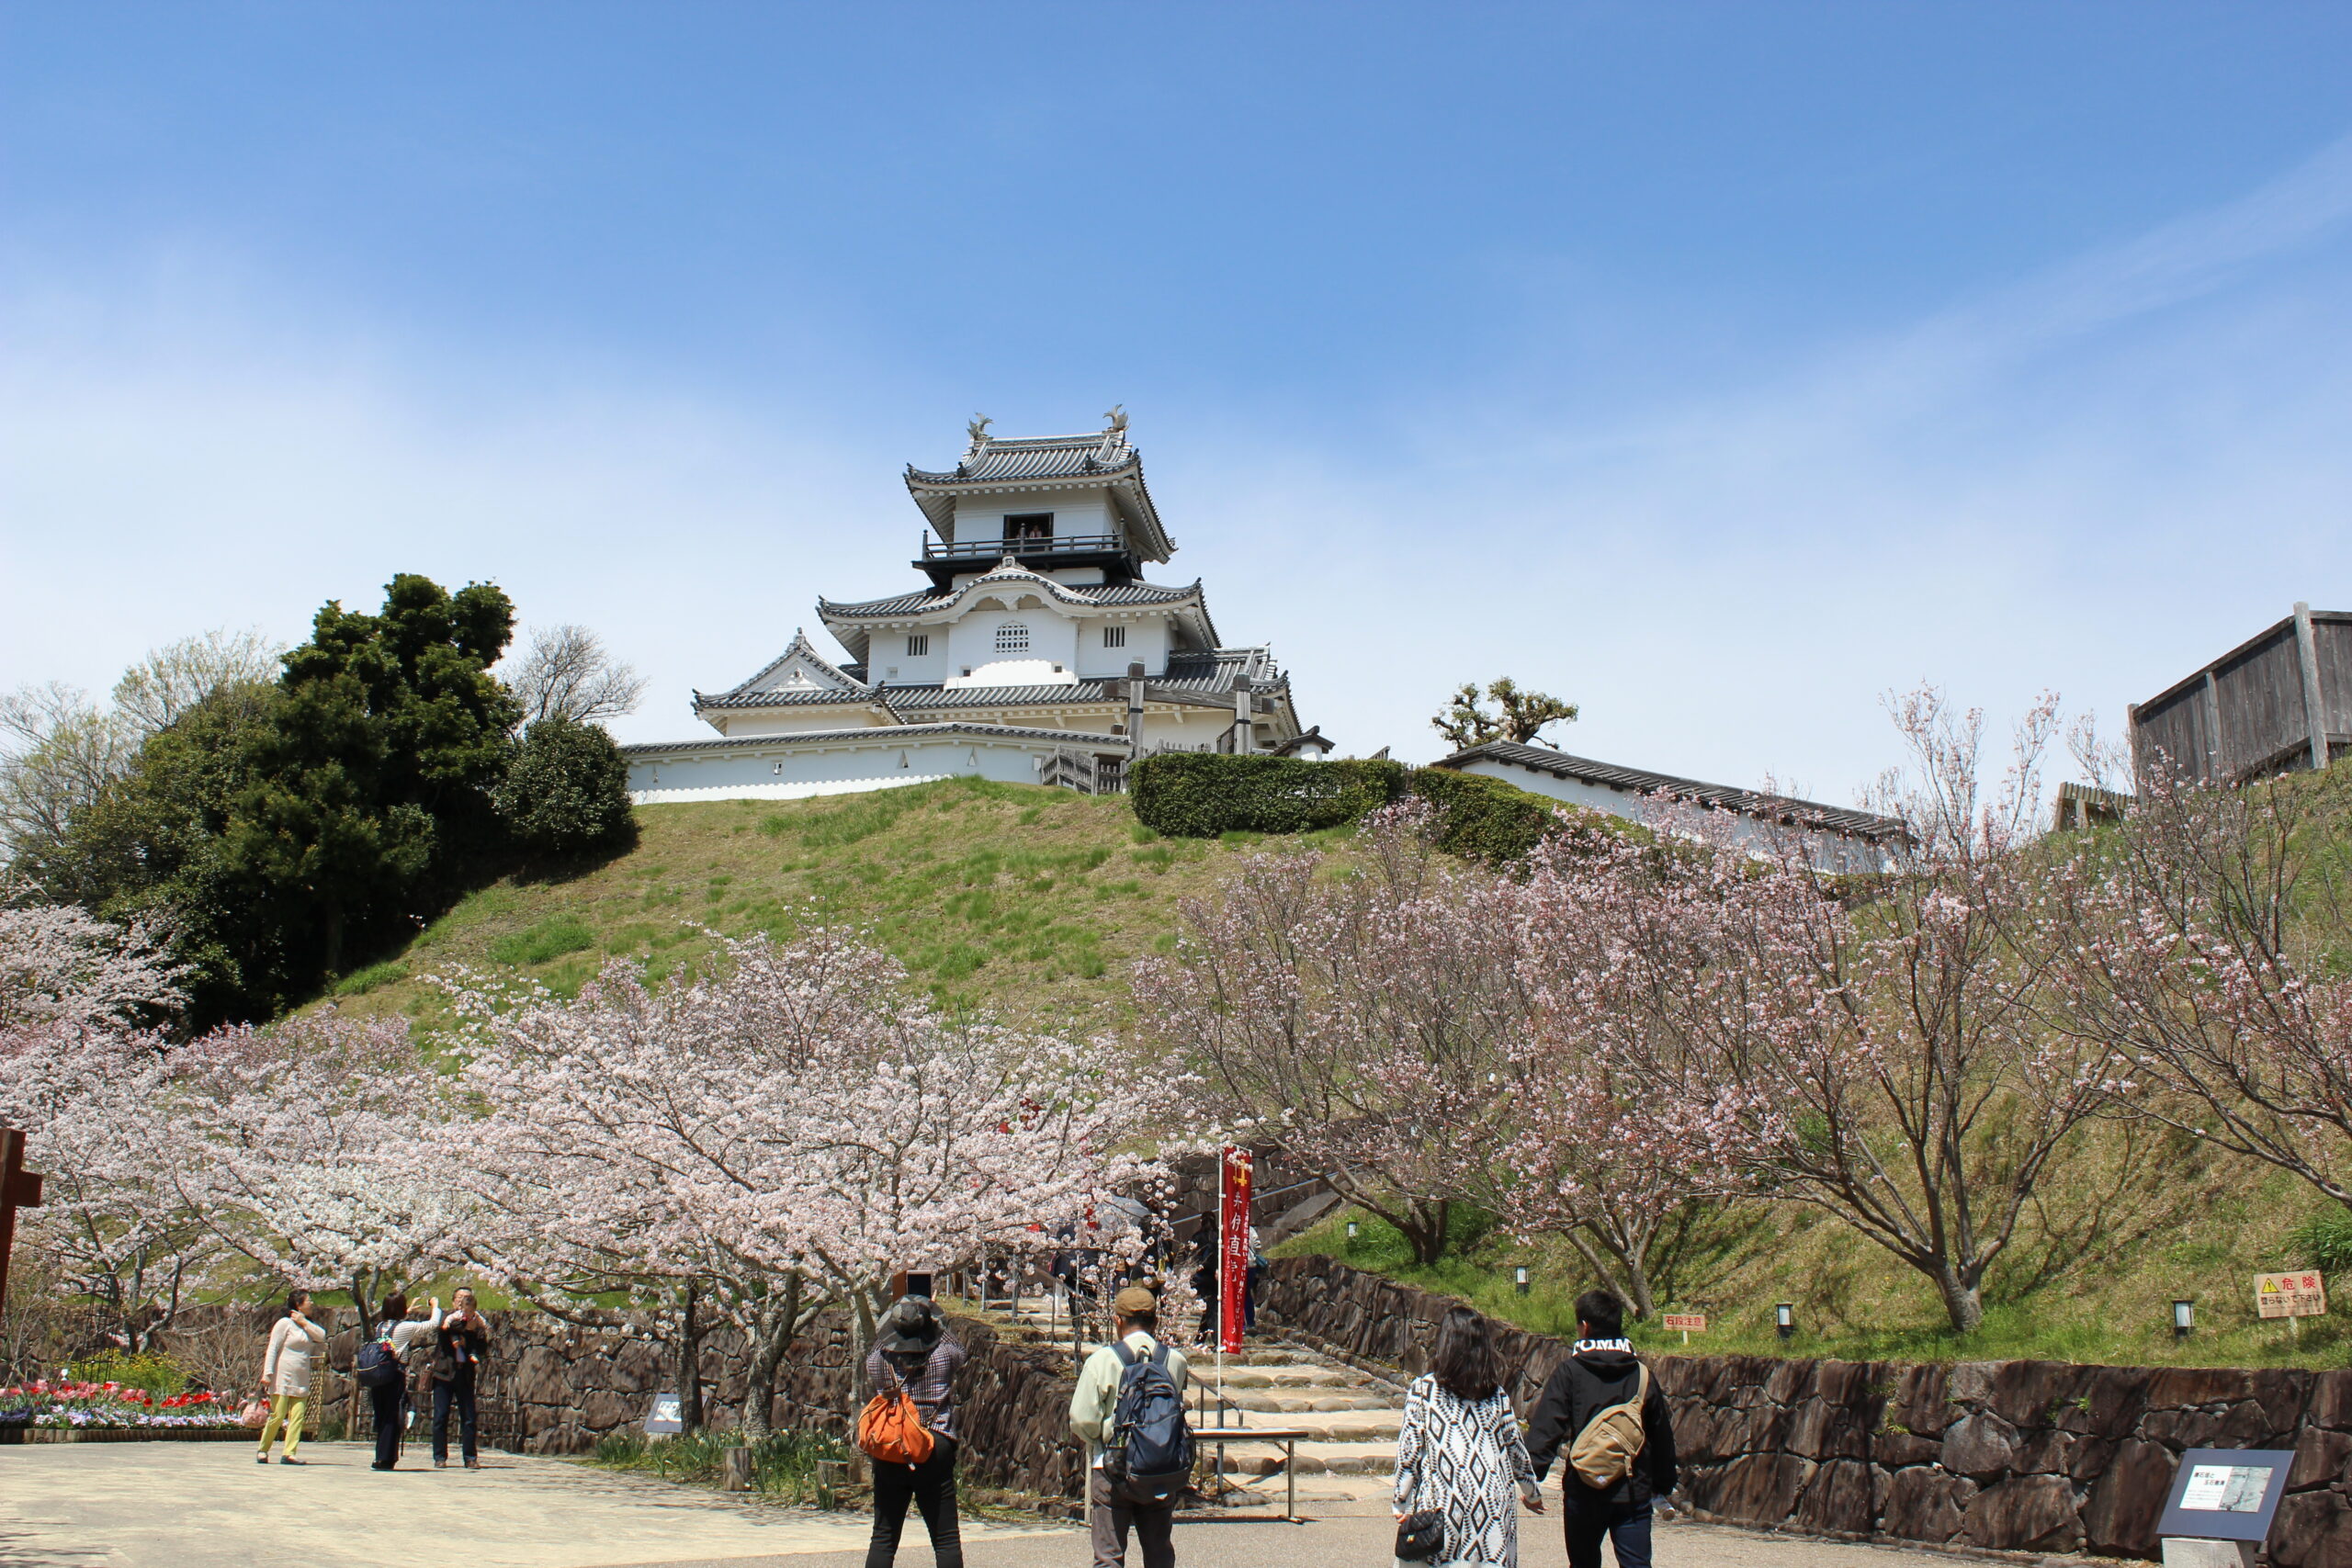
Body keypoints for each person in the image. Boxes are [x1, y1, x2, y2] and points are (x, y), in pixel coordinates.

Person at [1525, 1290, 1678, 1568]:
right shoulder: (1642, 1374)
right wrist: (1662, 1485)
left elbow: (1547, 1428)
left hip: (1584, 1489)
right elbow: (1661, 1435)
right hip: (1633, 1489)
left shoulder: (1570, 1371)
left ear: (1585, 1327)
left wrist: (1531, 1479)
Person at [1392, 1306, 1541, 1568]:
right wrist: (1532, 1492)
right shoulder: (1495, 1394)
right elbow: (1516, 1448)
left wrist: (1400, 1502)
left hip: (1445, 1501)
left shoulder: (1425, 1391)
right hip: (1493, 1503)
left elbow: (1409, 1452)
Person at [1069, 1284, 1190, 1568]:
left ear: (1118, 1320)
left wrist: (1101, 1435)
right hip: (1160, 1467)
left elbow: (1081, 1419)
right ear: (1155, 1320)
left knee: (1109, 1557)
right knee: (1159, 1555)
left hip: (1112, 1468)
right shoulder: (1176, 1361)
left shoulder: (1102, 1360)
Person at [864, 1294, 970, 1568]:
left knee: (883, 1537)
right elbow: (960, 1350)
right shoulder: (944, 1355)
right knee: (945, 1538)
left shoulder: (878, 1361)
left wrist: (896, 1326)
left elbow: (878, 1344)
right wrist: (932, 1316)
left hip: (892, 1444)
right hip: (934, 1443)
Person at [363, 1292, 442, 1472]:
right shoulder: (405, 1327)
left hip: (377, 1376)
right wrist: (435, 1306)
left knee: (382, 1415)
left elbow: (396, 1322)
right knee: (393, 1415)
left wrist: (407, 1310)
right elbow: (433, 1324)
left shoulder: (381, 1326)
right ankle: (385, 1458)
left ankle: (381, 1455)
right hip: (394, 1375)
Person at [256, 1289, 327, 1465]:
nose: (312, 1303)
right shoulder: (284, 1323)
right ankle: (263, 1449)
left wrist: (304, 1321)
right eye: (308, 1300)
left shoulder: (306, 1326)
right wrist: (267, 1373)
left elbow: (322, 1336)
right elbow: (272, 1348)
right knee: (278, 1415)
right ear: (298, 1304)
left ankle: (289, 1453)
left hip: (301, 1377)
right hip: (282, 1376)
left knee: (298, 1416)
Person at [430, 1287, 494, 1470]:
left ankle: (470, 1457)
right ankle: (440, 1457)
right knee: (441, 1417)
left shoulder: (476, 1320)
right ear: (453, 1301)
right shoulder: (447, 1319)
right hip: (444, 1373)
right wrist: (468, 1328)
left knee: (469, 1418)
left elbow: (483, 1342)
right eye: (459, 1298)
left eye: (466, 1298)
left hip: (464, 1374)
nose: (462, 1301)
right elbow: (445, 1331)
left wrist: (470, 1337)